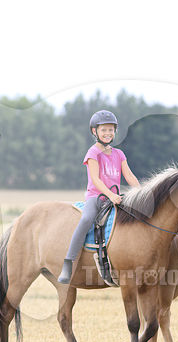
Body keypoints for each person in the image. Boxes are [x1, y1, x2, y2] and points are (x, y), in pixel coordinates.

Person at [58, 110, 140, 284]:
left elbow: (130, 176)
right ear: (95, 132)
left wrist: (143, 193)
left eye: (111, 130)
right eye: (104, 130)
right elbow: (95, 180)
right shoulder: (93, 153)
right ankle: (69, 262)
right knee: (86, 219)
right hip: (97, 197)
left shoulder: (119, 154)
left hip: (116, 197)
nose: (108, 133)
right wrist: (110, 195)